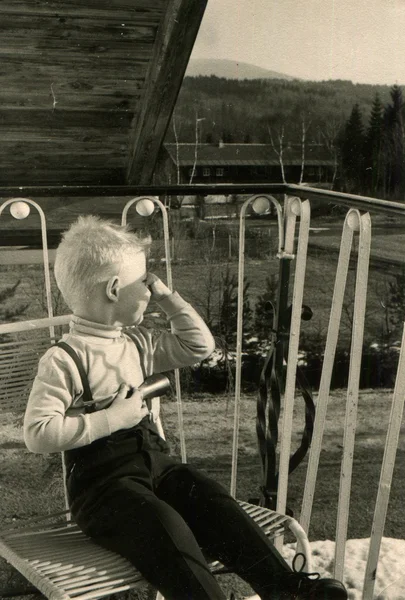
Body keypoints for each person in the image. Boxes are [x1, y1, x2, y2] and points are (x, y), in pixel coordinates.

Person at [24, 216, 347, 600]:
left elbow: (199, 346)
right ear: (113, 290)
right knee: (166, 527)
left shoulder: (137, 344)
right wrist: (112, 419)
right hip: (104, 490)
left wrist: (165, 295)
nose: (149, 290)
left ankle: (286, 589)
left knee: (211, 499)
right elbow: (37, 434)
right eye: (143, 283)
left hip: (157, 468)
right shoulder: (65, 359)